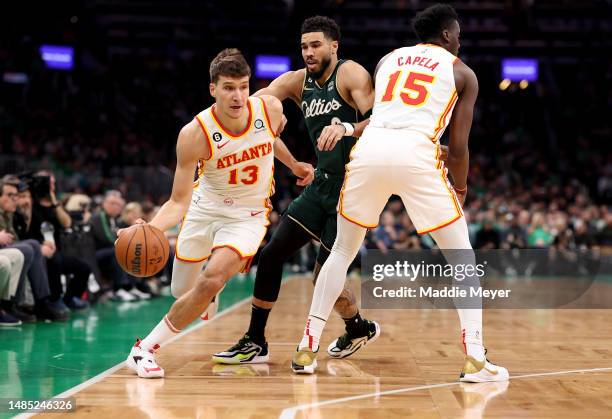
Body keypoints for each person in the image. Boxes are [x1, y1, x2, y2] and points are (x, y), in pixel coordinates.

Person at [291, 4, 509, 383]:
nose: (460, 40)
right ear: (446, 35)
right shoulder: (462, 72)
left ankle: (306, 347)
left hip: (371, 150)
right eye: (457, 34)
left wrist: (347, 129)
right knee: (461, 257)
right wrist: (460, 186)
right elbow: (458, 147)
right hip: (415, 155)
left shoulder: (389, 60)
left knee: (341, 251)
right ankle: (475, 357)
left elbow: (382, 117)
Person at [122, 48, 314, 378]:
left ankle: (143, 350)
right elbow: (179, 201)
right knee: (182, 292)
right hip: (203, 209)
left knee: (211, 279)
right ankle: (204, 297)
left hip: (248, 215)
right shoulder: (194, 133)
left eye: (243, 86)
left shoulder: (267, 108)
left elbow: (268, 138)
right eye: (228, 87)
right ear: (213, 89)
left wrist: (294, 163)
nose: (238, 95)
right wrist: (151, 227)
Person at [214, 16, 383, 365]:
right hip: (320, 184)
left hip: (352, 189)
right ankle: (255, 340)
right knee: (272, 254)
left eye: (316, 45)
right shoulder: (296, 81)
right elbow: (250, 105)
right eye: (304, 46)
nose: (308, 51)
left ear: (334, 46)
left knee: (324, 280)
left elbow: (381, 122)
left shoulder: (351, 74)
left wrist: (348, 128)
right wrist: (268, 112)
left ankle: (355, 326)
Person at [0, 178, 67, 321]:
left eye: (17, 195)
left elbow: (14, 239)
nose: (15, 199)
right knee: (30, 248)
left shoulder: (8, 214)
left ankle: (42, 302)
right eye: (11, 195)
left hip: (11, 250)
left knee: (34, 247)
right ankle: (15, 304)